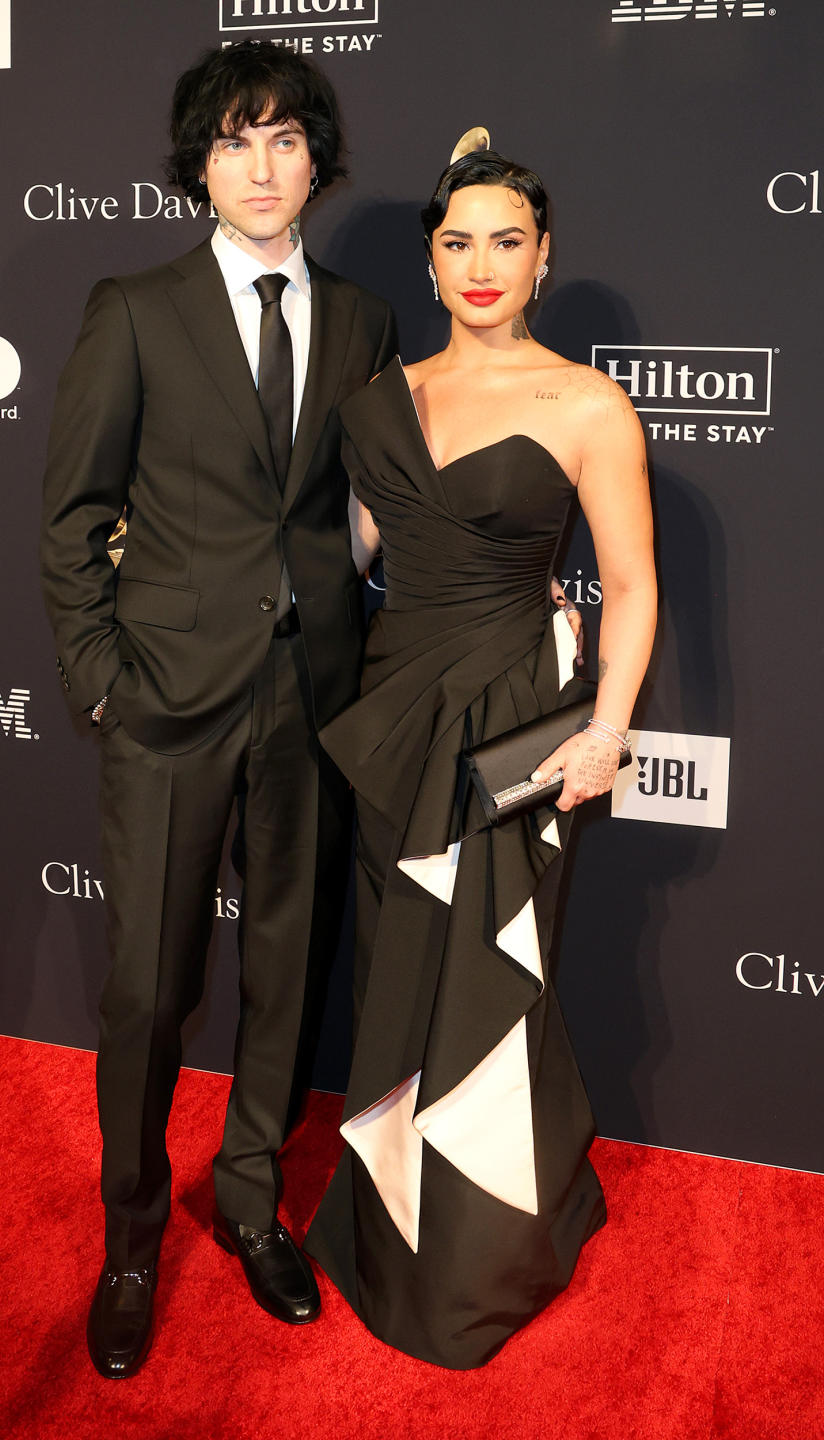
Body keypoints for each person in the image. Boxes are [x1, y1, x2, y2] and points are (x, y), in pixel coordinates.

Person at [40, 41, 397, 1378]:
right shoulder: (133, 307)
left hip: (310, 701)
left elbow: (364, 503)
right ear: (198, 164)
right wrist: (98, 682)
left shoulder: (362, 321)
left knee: (289, 976)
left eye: (287, 139)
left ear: (317, 161)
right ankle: (133, 1236)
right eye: (237, 141)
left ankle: (250, 1203)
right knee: (146, 987)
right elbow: (73, 519)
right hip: (167, 706)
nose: (263, 166)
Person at [305, 149, 657, 1369]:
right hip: (396, 717)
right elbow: (347, 558)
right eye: (459, 243)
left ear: (544, 255)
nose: (483, 267)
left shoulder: (587, 405)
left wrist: (606, 729)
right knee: (399, 975)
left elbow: (631, 584)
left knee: (495, 977)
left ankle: (483, 1248)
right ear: (432, 260)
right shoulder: (385, 398)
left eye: (508, 241)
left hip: (513, 728)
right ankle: (386, 1215)